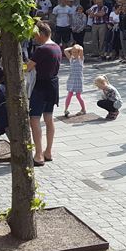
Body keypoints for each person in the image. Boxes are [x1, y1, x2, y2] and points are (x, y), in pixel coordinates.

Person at [27, 22, 62, 166]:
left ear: (41, 33)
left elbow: (28, 67)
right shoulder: (57, 47)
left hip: (40, 86)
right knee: (49, 117)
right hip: (53, 85)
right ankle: (48, 151)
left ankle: (39, 154)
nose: (34, 38)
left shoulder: (42, 49)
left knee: (34, 118)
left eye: (35, 35)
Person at [62, 44, 86, 118]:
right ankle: (66, 109)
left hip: (78, 79)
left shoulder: (80, 59)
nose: (74, 53)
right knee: (69, 94)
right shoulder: (71, 59)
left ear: (79, 53)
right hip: (72, 79)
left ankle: (83, 109)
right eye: (73, 52)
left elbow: (81, 49)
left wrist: (77, 47)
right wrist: (72, 48)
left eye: (76, 52)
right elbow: (65, 50)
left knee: (78, 95)